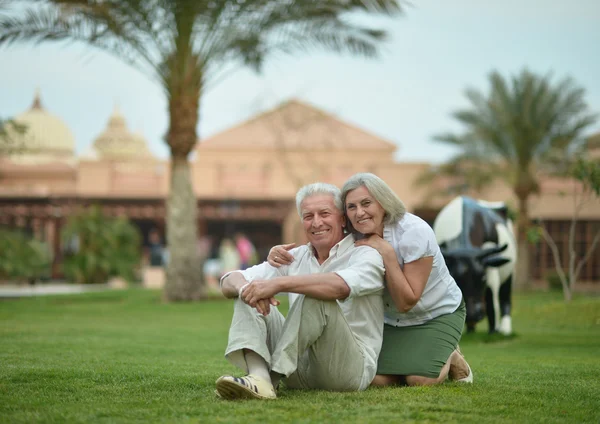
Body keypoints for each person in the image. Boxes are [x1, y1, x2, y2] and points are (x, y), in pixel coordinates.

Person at [268, 173, 472, 387]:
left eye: (366, 203)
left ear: (383, 203)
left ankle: (451, 353)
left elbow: (406, 302)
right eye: (352, 207)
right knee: (374, 380)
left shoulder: (414, 232)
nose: (360, 213)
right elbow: (321, 233)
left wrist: (387, 253)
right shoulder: (355, 232)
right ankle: (419, 356)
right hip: (391, 321)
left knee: (419, 380)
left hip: (434, 313)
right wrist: (275, 253)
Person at [216, 182, 385, 400]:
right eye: (308, 216)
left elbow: (339, 287)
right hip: (296, 370)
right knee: (249, 293)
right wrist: (246, 289)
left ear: (342, 218)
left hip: (346, 372)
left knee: (317, 296)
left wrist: (279, 284)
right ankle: (260, 379)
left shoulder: (366, 254)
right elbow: (228, 280)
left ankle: (272, 378)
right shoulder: (292, 257)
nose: (316, 222)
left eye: (324, 213)